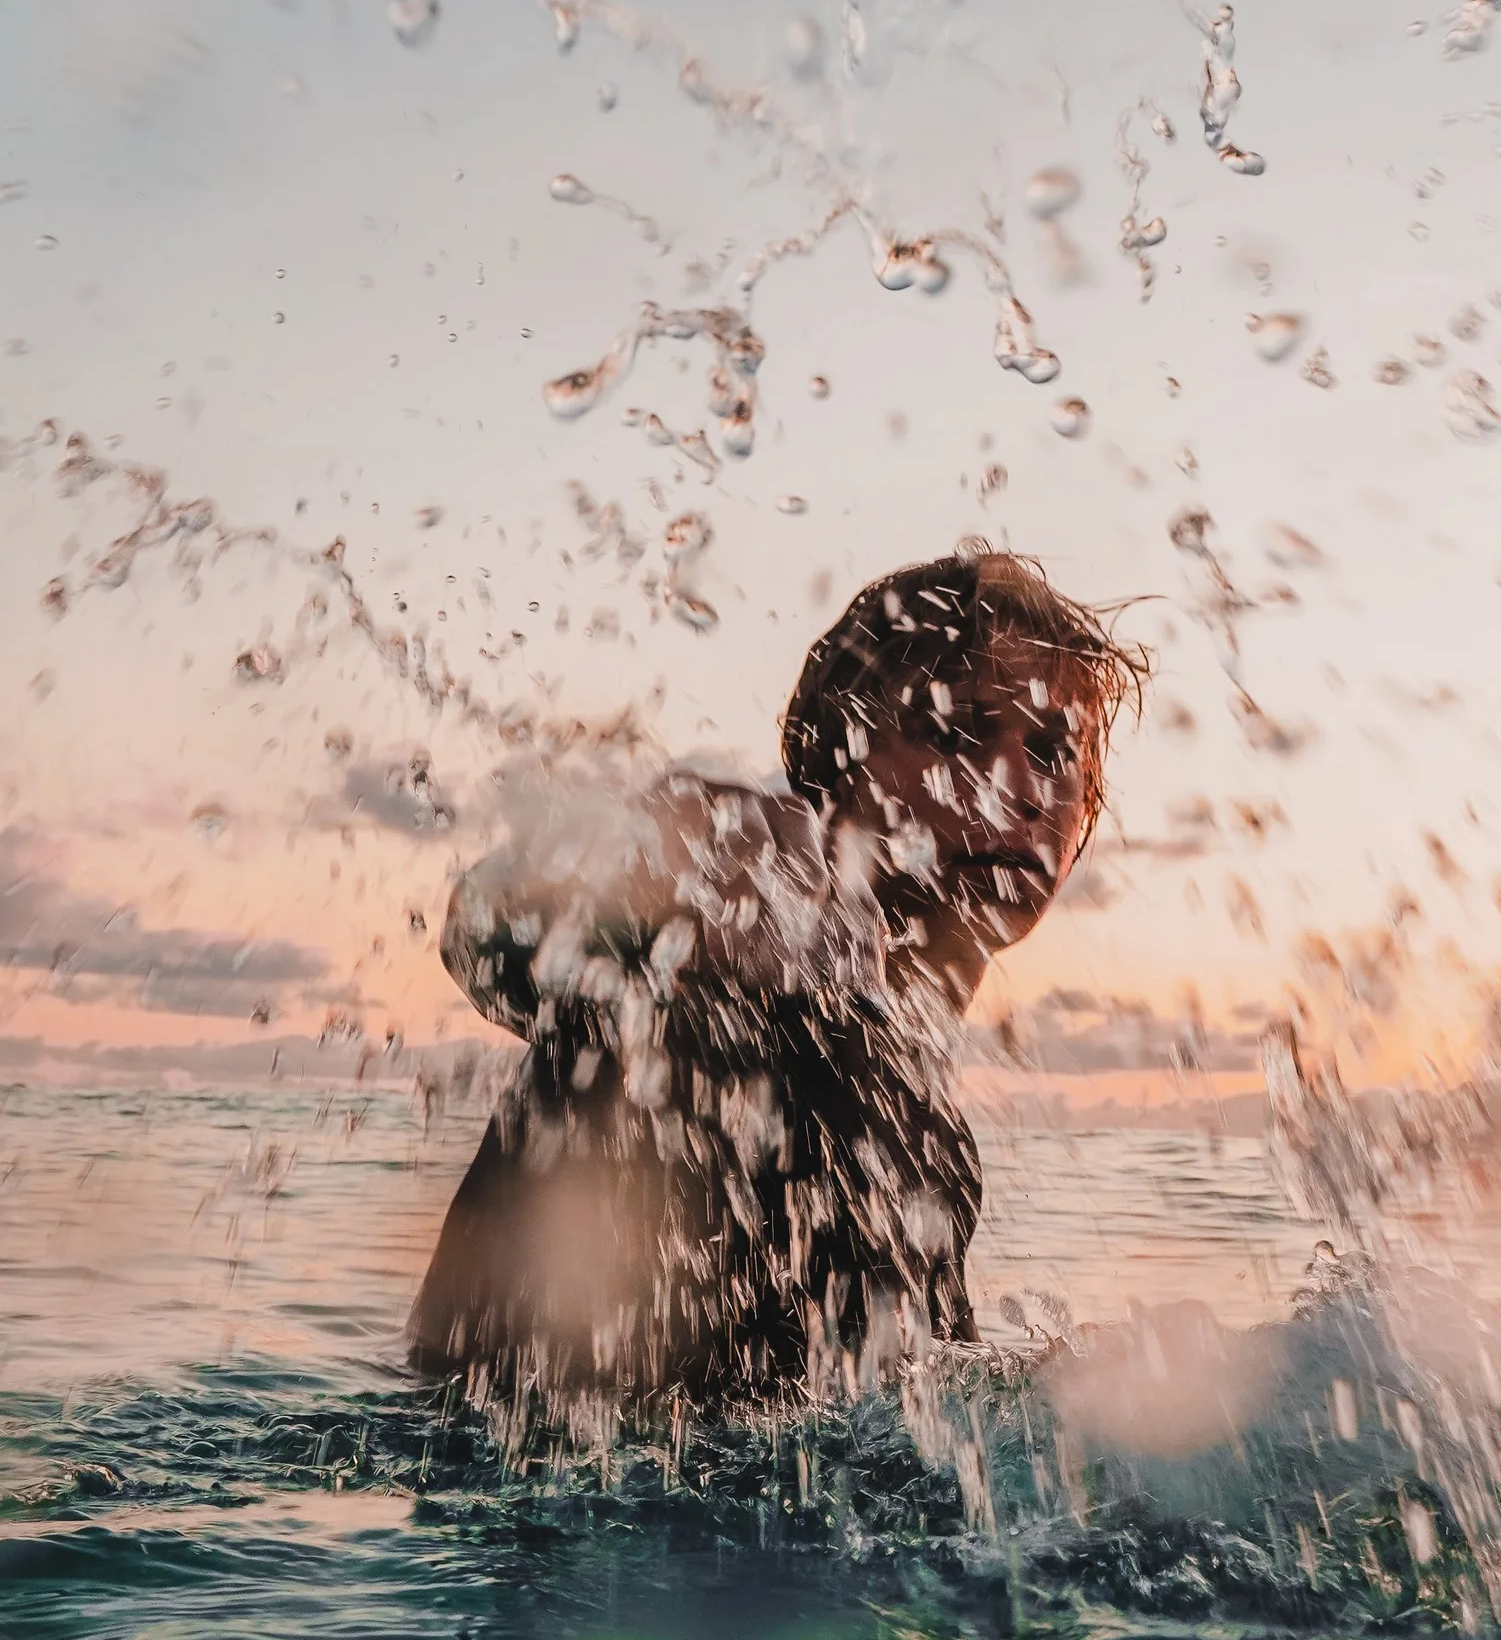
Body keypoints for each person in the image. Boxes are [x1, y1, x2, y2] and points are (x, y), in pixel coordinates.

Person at [409, 550, 1147, 1406]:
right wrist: (649, 863)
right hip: (547, 1508)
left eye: (1054, 752)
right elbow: (493, 933)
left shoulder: (910, 1094)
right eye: (958, 733)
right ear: (841, 761)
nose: (1018, 788)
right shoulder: (740, 967)